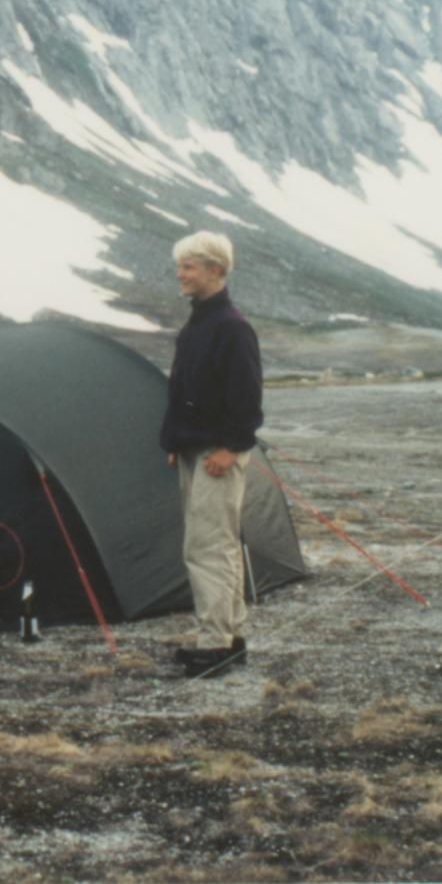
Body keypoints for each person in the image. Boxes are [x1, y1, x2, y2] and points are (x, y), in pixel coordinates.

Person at [159, 231, 263, 679]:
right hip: (193, 450)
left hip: (217, 454)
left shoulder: (232, 328)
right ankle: (229, 635)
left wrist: (230, 446)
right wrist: (177, 441)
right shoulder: (199, 324)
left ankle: (215, 643)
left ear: (216, 271)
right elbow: (185, 390)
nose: (180, 274)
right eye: (180, 266)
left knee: (207, 547)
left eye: (189, 266)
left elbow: (248, 397)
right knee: (215, 544)